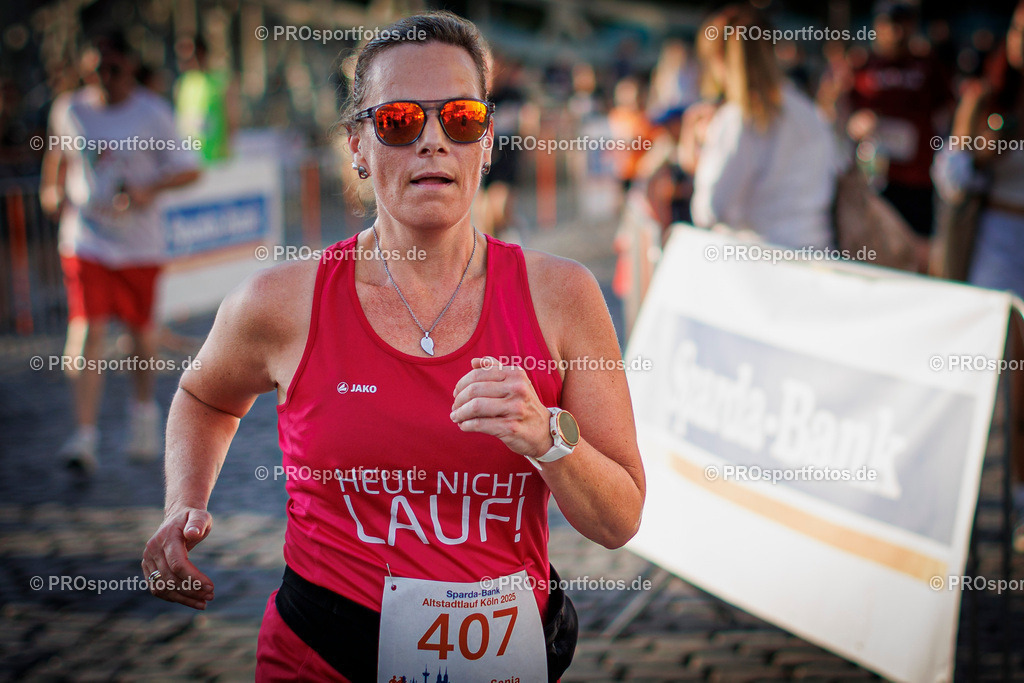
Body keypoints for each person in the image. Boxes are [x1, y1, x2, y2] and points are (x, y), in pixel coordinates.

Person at [141, 11, 645, 682]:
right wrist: (184, 499)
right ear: (357, 144)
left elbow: (619, 521)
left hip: (502, 663)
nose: (433, 141)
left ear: (487, 142)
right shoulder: (281, 301)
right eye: (401, 121)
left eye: (461, 119)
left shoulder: (563, 296)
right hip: (320, 654)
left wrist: (549, 437)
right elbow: (205, 395)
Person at [40, 31, 201, 473]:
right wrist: (50, 190)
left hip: (139, 244)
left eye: (114, 69)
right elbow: (58, 155)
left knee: (139, 333)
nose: (105, 78)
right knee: (87, 329)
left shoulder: (153, 112)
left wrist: (149, 189)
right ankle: (83, 436)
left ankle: (143, 411)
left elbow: (189, 171)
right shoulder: (69, 108)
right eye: (95, 70)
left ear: (130, 68)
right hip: (86, 239)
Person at [933, 1, 1024, 552]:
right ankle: (986, 510)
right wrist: (975, 156)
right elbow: (950, 177)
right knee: (1008, 384)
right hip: (997, 246)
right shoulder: (984, 97)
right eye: (1017, 27)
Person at [686, 5, 837, 250]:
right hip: (816, 254)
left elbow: (709, 210)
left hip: (760, 263)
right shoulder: (808, 111)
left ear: (719, 59)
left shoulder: (737, 118)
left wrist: (702, 159)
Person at [845, 1, 953, 237]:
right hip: (874, 180)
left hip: (917, 181)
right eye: (889, 25)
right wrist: (858, 124)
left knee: (916, 251)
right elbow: (843, 118)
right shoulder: (862, 66)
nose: (895, 33)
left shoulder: (928, 66)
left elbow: (949, 113)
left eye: (902, 25)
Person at [174, 35, 238, 164]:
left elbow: (232, 119)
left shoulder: (220, 81)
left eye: (190, 55)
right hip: (190, 161)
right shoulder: (181, 84)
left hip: (216, 160)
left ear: (202, 54)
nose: (186, 60)